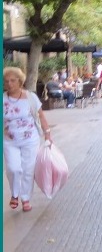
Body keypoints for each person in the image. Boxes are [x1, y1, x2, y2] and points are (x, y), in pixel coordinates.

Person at [3, 66, 52, 212]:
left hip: (30, 139)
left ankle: (25, 198)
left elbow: (41, 116)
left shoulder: (31, 97)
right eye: (6, 81)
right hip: (9, 140)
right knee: (13, 168)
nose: (9, 84)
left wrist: (47, 134)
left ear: (20, 81)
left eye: (13, 80)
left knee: (28, 169)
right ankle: (15, 193)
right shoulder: (2, 99)